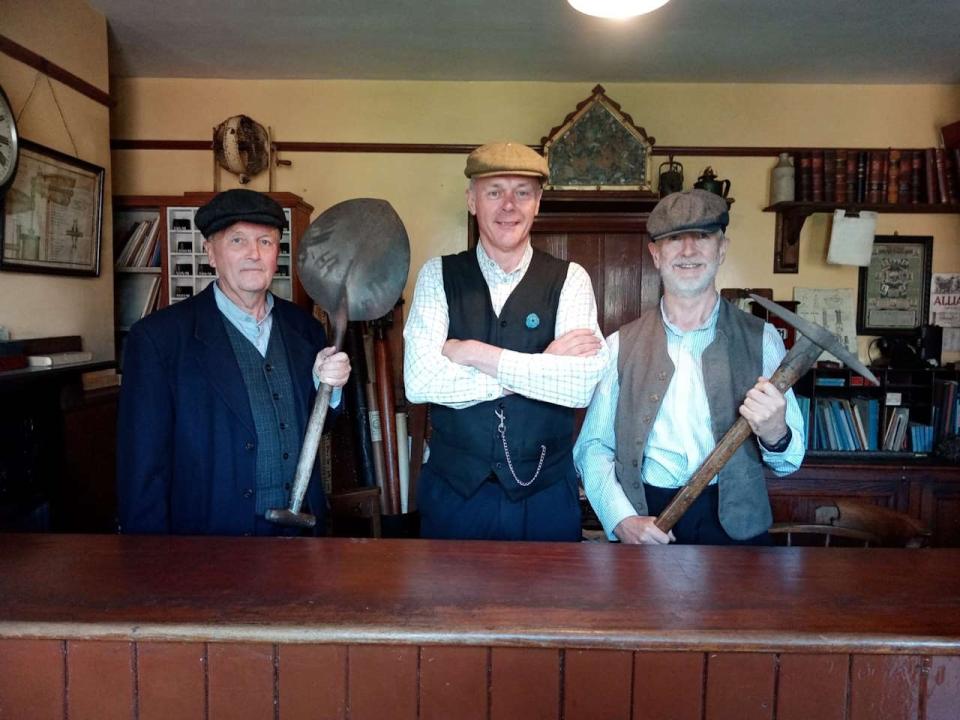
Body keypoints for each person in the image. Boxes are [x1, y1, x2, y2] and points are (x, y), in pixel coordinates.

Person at [574, 189, 804, 545]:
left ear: (722, 249)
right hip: (649, 519)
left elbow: (789, 462)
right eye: (673, 239)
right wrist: (621, 520)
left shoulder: (762, 339)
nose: (688, 251)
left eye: (702, 237)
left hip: (736, 528)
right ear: (655, 254)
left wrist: (776, 432)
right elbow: (592, 447)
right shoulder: (620, 345)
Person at [404, 141, 608, 541]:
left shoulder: (572, 280)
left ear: (538, 203)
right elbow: (421, 382)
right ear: (471, 200)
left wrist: (473, 353)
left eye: (523, 193)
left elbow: (580, 386)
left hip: (546, 499)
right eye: (494, 191)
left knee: (548, 605)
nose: (508, 205)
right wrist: (542, 364)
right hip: (455, 497)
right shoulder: (437, 276)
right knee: (451, 606)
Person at [117, 189, 350, 536]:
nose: (254, 254)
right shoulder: (159, 339)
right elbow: (142, 468)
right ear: (210, 252)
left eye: (266, 242)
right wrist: (152, 562)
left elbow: (315, 426)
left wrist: (328, 390)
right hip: (211, 539)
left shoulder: (306, 329)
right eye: (238, 240)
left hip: (302, 531)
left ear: (277, 254)